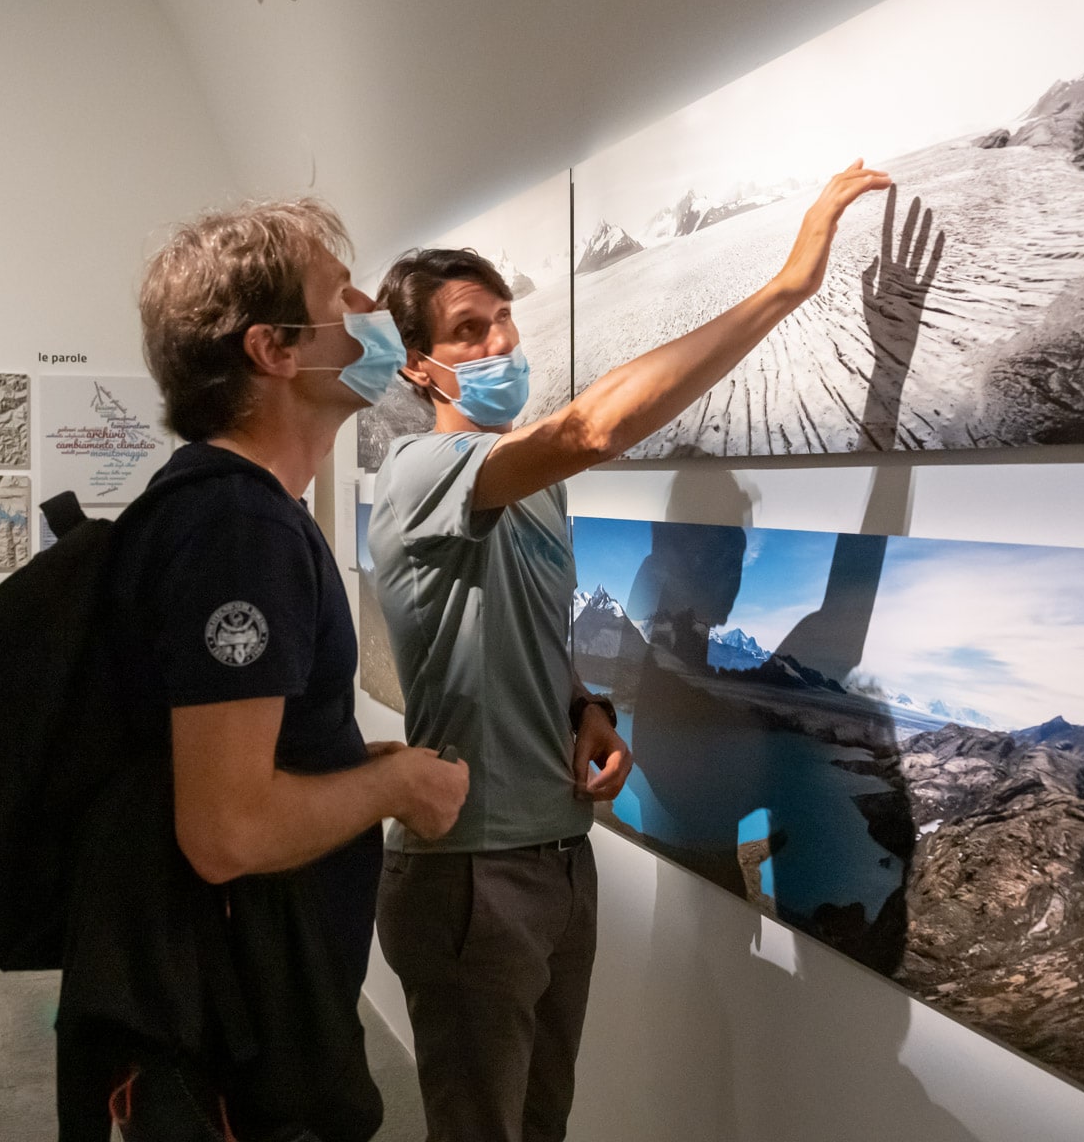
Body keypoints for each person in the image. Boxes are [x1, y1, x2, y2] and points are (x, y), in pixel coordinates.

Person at [368, 160, 892, 1142]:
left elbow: (527, 627)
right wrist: (787, 286)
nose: (497, 343)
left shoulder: (534, 488)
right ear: (418, 368)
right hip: (471, 873)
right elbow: (595, 424)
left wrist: (584, 709)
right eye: (465, 332)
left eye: (500, 319)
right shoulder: (418, 472)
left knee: (541, 1121)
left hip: (560, 856)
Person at [54, 197, 472, 1141]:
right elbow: (227, 830)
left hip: (246, 996)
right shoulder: (237, 529)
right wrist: (399, 780)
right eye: (342, 294)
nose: (373, 307)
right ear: (275, 352)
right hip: (238, 1027)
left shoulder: (233, 512)